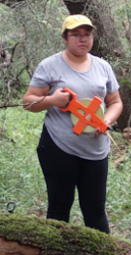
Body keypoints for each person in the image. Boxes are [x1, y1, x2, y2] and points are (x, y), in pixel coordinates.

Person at [22, 14, 123, 234]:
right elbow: (28, 103)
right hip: (59, 147)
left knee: (95, 210)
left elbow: (115, 102)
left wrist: (107, 120)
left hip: (96, 150)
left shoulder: (102, 67)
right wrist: (52, 100)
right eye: (75, 34)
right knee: (59, 208)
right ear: (65, 38)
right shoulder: (49, 66)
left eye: (86, 34)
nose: (82, 39)